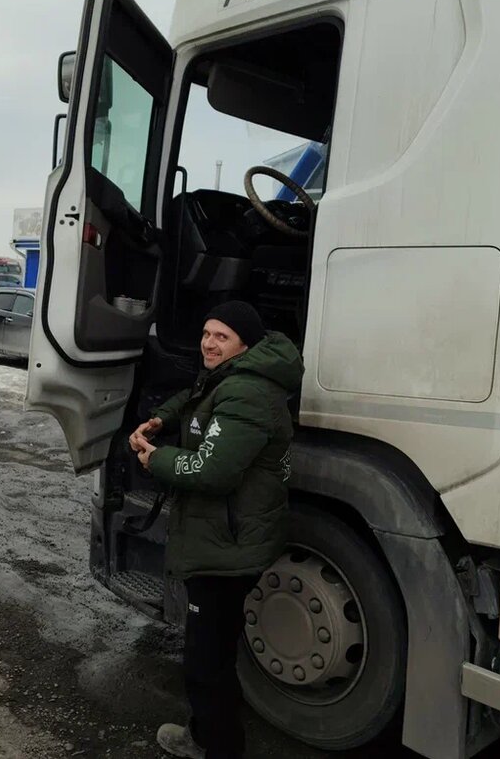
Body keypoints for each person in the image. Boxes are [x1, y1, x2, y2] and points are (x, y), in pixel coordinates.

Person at [130, 301, 303, 759]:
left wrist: (155, 458)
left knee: (206, 664)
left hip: (227, 547)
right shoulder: (233, 378)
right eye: (207, 332)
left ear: (244, 344)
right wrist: (162, 419)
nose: (209, 342)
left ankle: (216, 745)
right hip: (225, 538)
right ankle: (210, 734)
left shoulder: (246, 392)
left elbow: (211, 472)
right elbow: (194, 400)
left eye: (221, 336)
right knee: (214, 654)